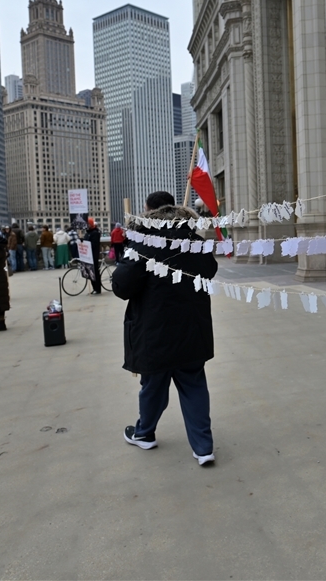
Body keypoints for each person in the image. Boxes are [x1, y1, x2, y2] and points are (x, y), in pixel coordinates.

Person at [114, 191, 219, 466]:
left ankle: (145, 433)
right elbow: (210, 271)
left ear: (148, 211)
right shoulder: (196, 243)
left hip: (154, 332)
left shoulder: (142, 244)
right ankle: (203, 447)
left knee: (153, 387)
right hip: (192, 330)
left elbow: (121, 286)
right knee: (194, 386)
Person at [84, 218, 102, 295]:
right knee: (90, 272)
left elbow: (94, 245)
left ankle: (97, 288)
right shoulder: (88, 233)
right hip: (88, 255)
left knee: (95, 272)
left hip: (93, 255)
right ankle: (94, 288)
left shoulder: (95, 233)